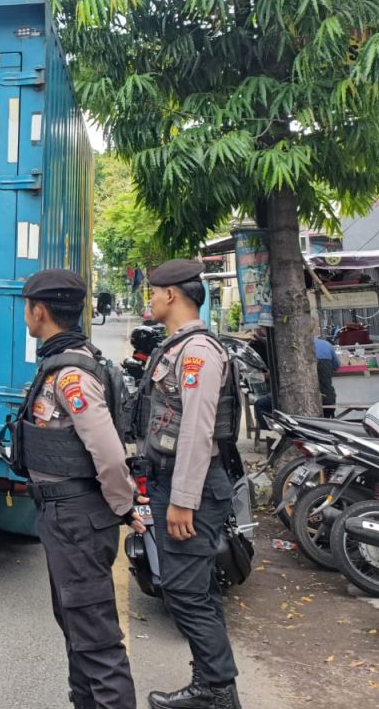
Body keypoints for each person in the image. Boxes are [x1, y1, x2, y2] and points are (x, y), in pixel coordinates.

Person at [16, 269, 143, 709]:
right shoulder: (65, 360)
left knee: (95, 639)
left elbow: (108, 455)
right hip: (64, 517)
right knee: (76, 626)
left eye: (26, 306)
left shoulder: (70, 374)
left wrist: (124, 506)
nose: (25, 315)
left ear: (40, 309)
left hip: (76, 518)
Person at [141, 259, 241, 709]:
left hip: (192, 490)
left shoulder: (196, 352)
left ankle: (215, 690)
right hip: (181, 483)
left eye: (152, 291)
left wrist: (182, 500)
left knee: (183, 591)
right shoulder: (181, 346)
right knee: (195, 590)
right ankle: (216, 687)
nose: (150, 299)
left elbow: (197, 432)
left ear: (170, 295)